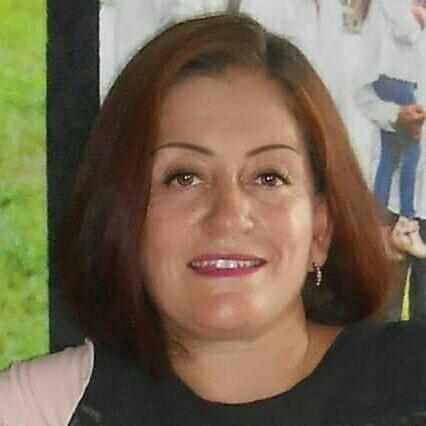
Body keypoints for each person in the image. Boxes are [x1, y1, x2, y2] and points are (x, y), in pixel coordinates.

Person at [1, 13, 426, 425]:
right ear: (124, 214)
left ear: (321, 228)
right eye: (183, 177)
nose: (228, 216)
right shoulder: (41, 409)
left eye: (268, 177)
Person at [355, 0, 426, 258]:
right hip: (396, 82)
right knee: (407, 155)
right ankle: (401, 224)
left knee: (392, 157)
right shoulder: (391, 7)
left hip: (399, 82)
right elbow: (408, 29)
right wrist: (419, 15)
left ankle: (384, 229)